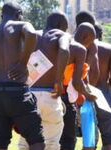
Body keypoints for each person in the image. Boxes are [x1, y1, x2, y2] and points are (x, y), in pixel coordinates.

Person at [0, 2, 45, 150]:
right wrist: (22, 64)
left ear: (1, 16)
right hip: (18, 92)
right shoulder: (21, 25)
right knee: (36, 141)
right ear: (18, 14)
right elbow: (32, 34)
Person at [18, 11, 70, 150]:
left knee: (25, 143)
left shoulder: (32, 35)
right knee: (51, 144)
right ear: (60, 25)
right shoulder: (61, 35)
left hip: (28, 96)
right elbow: (64, 51)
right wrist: (58, 81)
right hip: (49, 95)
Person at [64, 22, 97, 150]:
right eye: (90, 41)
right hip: (65, 98)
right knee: (68, 140)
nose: (89, 45)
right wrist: (88, 95)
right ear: (84, 37)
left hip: (52, 93)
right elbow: (77, 82)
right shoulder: (79, 49)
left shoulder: (63, 42)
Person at [95, 25, 111, 150]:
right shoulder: (108, 49)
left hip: (83, 96)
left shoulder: (77, 47)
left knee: (89, 139)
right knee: (109, 137)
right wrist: (106, 84)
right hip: (104, 95)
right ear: (101, 34)